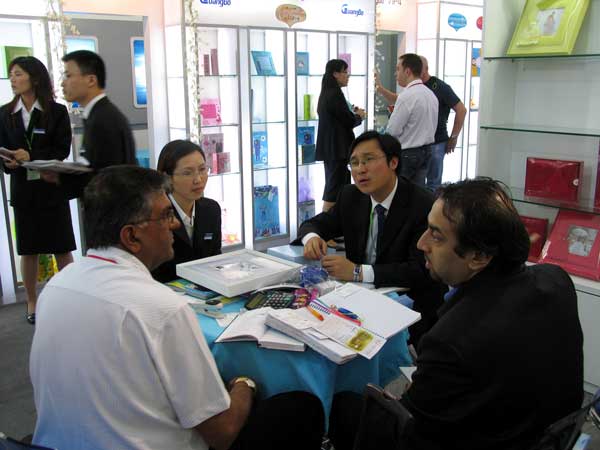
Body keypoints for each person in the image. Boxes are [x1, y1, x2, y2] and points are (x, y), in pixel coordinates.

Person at [30, 165, 325, 450]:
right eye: (166, 215)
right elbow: (222, 432)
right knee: (302, 407)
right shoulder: (162, 307)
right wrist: (245, 384)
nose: (173, 224)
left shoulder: (56, 286)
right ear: (131, 236)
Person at [329, 177, 584, 450]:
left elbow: (412, 431)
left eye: (436, 235)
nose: (421, 244)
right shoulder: (556, 280)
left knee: (343, 407)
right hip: (546, 435)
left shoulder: (449, 340)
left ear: (479, 256)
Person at [296, 130, 446, 344]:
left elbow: (420, 270)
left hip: (410, 306)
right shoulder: (351, 196)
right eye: (354, 163)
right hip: (361, 302)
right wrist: (312, 237)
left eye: (368, 160)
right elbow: (315, 224)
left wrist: (357, 272)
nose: (360, 169)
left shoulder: (422, 204)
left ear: (393, 162)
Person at [0, 56, 75, 324]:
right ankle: (32, 301)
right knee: (28, 250)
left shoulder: (56, 112)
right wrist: (9, 162)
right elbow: (3, 152)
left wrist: (31, 155)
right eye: (11, 74)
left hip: (51, 187)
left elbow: (61, 150)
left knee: (61, 247)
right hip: (24, 190)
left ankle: (71, 298)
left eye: (18, 74)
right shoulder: (5, 113)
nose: (13, 79)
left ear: (34, 77)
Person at [45, 50, 136, 198]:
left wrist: (61, 179)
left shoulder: (103, 119)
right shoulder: (96, 114)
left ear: (91, 80)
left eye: (68, 76)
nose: (62, 83)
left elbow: (106, 180)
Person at [152, 140, 222, 283]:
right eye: (187, 173)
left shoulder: (211, 210)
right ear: (167, 178)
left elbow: (215, 260)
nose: (198, 179)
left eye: (202, 169)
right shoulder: (155, 216)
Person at [379, 53, 438, 187]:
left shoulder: (406, 96)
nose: (396, 74)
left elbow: (393, 131)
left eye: (398, 69)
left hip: (408, 153)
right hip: (427, 151)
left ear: (407, 71)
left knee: (400, 192)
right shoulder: (430, 94)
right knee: (417, 192)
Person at [316, 58, 365, 212]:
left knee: (339, 188)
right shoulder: (334, 94)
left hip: (334, 149)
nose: (347, 75)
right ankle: (324, 222)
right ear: (335, 74)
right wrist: (359, 116)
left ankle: (337, 222)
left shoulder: (327, 93)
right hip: (337, 150)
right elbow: (348, 120)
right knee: (333, 190)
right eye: (344, 72)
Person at [420, 56, 467, 191]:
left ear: (426, 69)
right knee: (418, 184)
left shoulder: (440, 86)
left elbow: (461, 110)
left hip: (436, 142)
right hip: (419, 143)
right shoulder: (415, 87)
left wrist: (454, 137)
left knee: (433, 185)